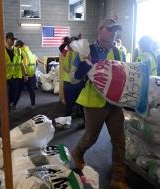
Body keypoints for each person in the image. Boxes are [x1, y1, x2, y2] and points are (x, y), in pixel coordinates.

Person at [70, 18, 130, 189]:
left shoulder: (118, 53)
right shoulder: (86, 51)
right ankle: (77, 152)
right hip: (93, 102)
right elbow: (73, 79)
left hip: (114, 103)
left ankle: (118, 178)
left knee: (119, 141)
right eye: (110, 29)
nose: (113, 33)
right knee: (90, 138)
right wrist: (82, 69)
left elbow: (124, 77)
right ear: (99, 30)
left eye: (115, 30)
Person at [0, 32, 27, 110]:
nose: (13, 41)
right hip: (4, 78)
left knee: (12, 96)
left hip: (15, 78)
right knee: (6, 95)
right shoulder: (1, 51)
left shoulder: (18, 51)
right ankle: (6, 112)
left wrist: (25, 74)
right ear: (7, 39)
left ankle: (4, 106)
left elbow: (21, 63)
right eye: (12, 39)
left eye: (14, 39)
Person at [60, 36, 85, 129]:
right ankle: (86, 122)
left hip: (68, 81)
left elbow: (61, 48)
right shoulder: (81, 53)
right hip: (78, 81)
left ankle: (66, 123)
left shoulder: (67, 52)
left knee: (69, 104)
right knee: (81, 103)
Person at [11, 40, 36, 110]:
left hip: (24, 74)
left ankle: (14, 104)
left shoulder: (22, 52)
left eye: (17, 46)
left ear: (19, 45)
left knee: (18, 89)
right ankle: (33, 105)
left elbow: (23, 64)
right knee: (31, 89)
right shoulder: (29, 51)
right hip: (31, 73)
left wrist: (25, 74)